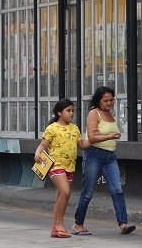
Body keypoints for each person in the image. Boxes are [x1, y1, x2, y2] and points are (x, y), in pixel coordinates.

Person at [72, 87, 135, 236]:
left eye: (111, 100)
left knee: (117, 190)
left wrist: (107, 136)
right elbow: (92, 139)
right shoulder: (94, 113)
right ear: (98, 101)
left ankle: (123, 224)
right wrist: (110, 136)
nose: (109, 103)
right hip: (94, 155)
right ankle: (78, 224)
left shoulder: (110, 114)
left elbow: (99, 134)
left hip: (110, 157)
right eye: (105, 100)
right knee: (88, 192)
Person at [34, 98, 87, 239]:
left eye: (72, 111)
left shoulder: (75, 128)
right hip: (55, 165)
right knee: (65, 192)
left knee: (61, 196)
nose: (71, 113)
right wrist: (37, 152)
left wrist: (98, 138)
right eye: (68, 111)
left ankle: (55, 227)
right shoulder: (52, 128)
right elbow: (43, 145)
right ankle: (59, 224)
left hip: (70, 166)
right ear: (59, 113)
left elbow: (81, 145)